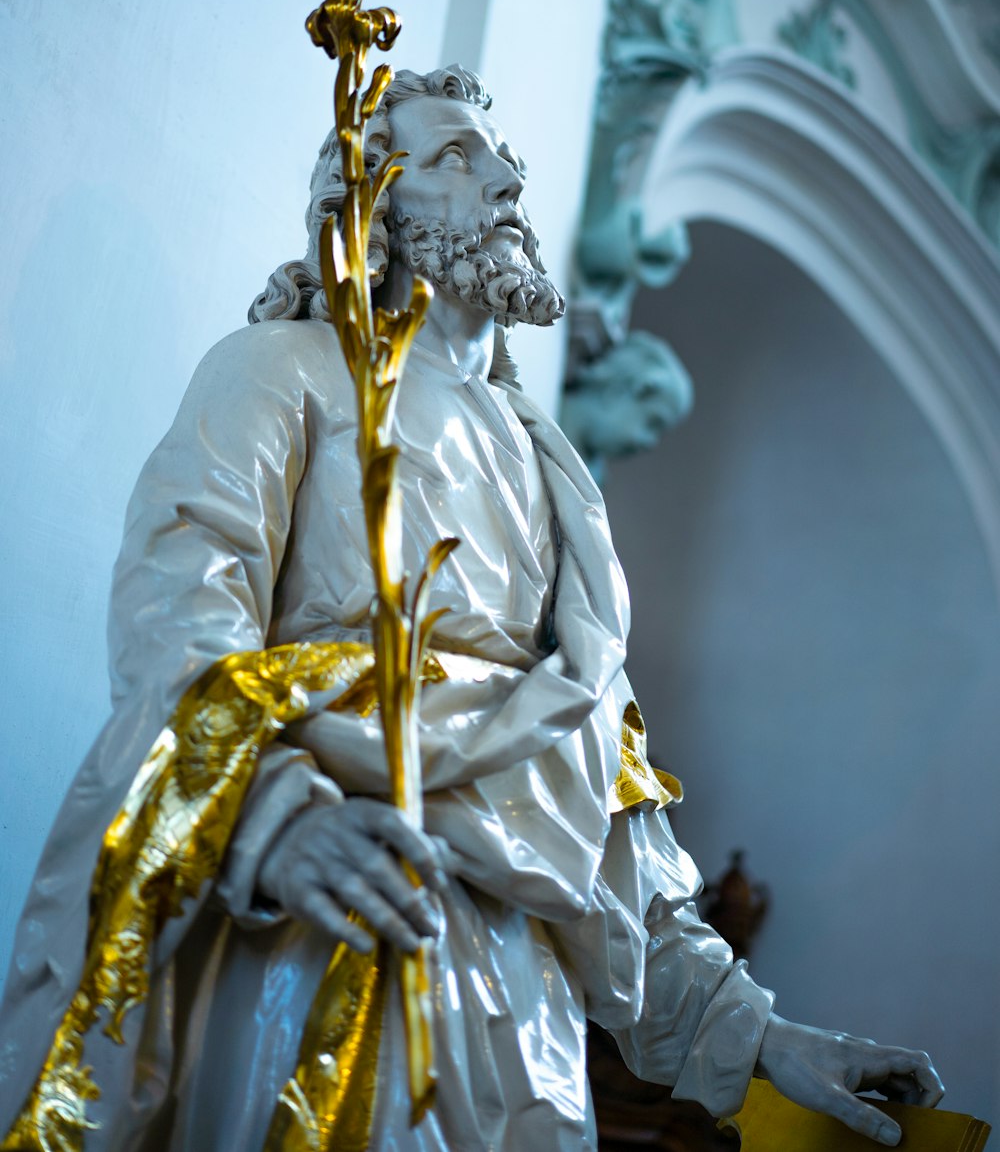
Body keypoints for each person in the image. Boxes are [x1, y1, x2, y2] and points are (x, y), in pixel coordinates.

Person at [0, 65, 943, 1151]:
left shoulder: (550, 470)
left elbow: (593, 768)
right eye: (456, 154)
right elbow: (179, 619)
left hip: (519, 989)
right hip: (319, 917)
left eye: (500, 155)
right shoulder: (282, 372)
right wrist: (274, 818)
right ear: (371, 207)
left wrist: (761, 1038)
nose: (508, 176)